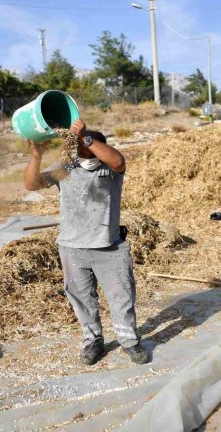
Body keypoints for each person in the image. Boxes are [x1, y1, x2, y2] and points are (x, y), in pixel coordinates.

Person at [24, 119, 149, 366]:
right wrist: (36, 156)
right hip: (72, 248)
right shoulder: (66, 168)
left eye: (87, 143)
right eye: (79, 143)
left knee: (121, 297)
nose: (81, 148)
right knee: (81, 298)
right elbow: (32, 184)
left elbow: (119, 160)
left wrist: (86, 138)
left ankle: (129, 342)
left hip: (109, 246)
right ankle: (93, 341)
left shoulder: (109, 169)